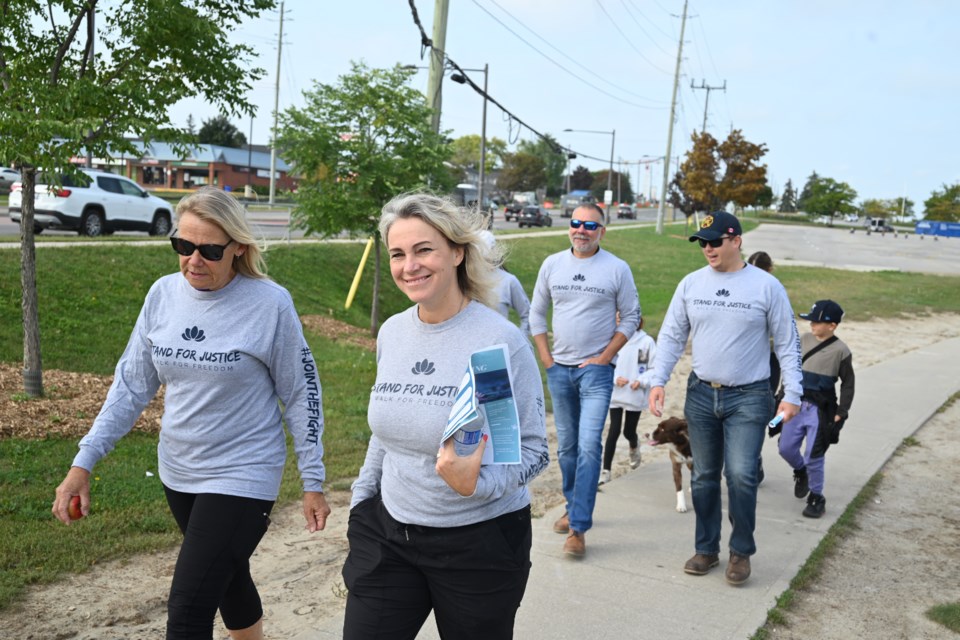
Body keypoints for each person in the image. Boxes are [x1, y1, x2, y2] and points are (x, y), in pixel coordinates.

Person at [52, 186, 330, 640]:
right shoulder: (163, 294)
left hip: (244, 472)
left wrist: (313, 480)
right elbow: (130, 386)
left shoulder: (270, 304)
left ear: (238, 247)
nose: (193, 260)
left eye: (209, 250)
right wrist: (83, 463)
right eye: (182, 246)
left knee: (187, 609)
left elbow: (301, 394)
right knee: (226, 580)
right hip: (179, 471)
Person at [342, 192, 549, 640]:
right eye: (398, 254)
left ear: (457, 252)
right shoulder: (393, 333)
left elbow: (533, 450)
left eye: (423, 250)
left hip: (480, 543)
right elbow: (387, 433)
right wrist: (362, 502)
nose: (408, 266)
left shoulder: (494, 343)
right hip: (389, 536)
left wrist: (479, 484)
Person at [648, 210, 802, 586]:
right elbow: (670, 336)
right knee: (702, 477)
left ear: (736, 240)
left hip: (749, 396)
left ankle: (741, 552)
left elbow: (787, 342)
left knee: (741, 475)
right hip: (702, 394)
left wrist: (793, 392)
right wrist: (657, 379)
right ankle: (706, 549)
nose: (708, 248)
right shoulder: (691, 284)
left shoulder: (766, 287)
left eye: (716, 241)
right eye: (703, 242)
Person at [529, 203, 641, 558]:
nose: (581, 230)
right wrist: (547, 359)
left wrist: (605, 357)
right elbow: (536, 312)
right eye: (576, 223)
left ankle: (578, 528)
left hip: (596, 372)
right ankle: (572, 504)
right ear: (569, 228)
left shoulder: (616, 269)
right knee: (567, 448)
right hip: (559, 371)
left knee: (590, 445)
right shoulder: (552, 264)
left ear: (602, 231)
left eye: (590, 225)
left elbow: (632, 317)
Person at [777, 299, 855, 519]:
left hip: (821, 409)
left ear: (832, 325)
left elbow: (848, 383)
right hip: (796, 404)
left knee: (814, 453)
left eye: (817, 321)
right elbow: (791, 369)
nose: (811, 324)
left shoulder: (841, 351)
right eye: (810, 320)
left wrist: (843, 410)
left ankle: (816, 496)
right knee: (786, 448)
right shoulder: (803, 340)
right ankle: (801, 471)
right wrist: (782, 396)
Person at [599, 315, 657, 485]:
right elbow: (604, 362)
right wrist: (615, 378)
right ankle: (606, 471)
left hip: (635, 394)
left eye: (622, 318)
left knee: (628, 431)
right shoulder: (610, 339)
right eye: (616, 318)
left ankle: (634, 444)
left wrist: (642, 381)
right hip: (616, 393)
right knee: (613, 430)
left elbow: (653, 368)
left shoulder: (646, 342)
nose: (618, 321)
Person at [747, 250, 778, 484]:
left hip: (768, 360)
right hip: (745, 359)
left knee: (759, 414)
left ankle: (754, 460)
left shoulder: (774, 290)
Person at [481, 230, 532, 334]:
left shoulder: (508, 281)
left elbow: (528, 315)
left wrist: (520, 339)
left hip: (499, 346)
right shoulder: (463, 282)